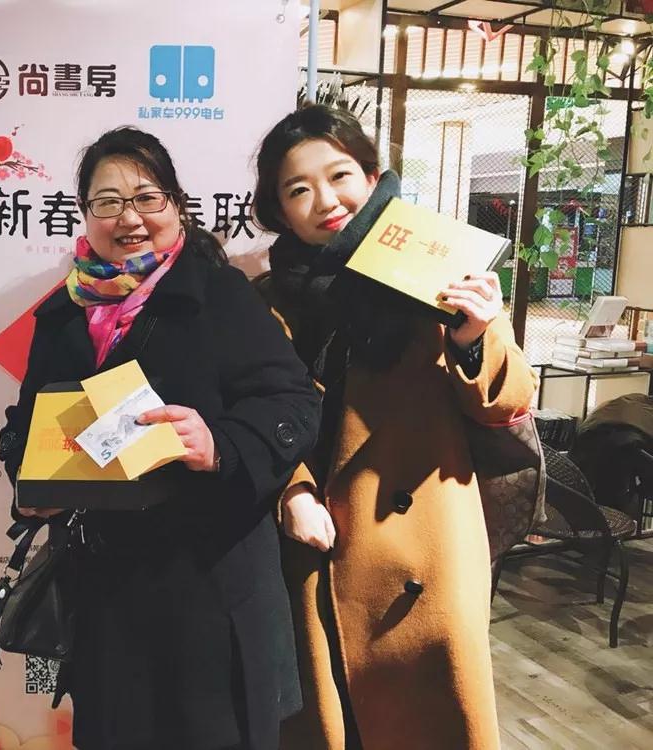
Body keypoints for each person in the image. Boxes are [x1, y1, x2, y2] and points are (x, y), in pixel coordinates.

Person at [0, 126, 321, 750]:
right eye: (108, 202)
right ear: (84, 213)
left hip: (210, 586)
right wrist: (30, 487)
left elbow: (294, 403)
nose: (129, 218)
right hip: (104, 595)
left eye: (148, 198)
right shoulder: (62, 313)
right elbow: (25, 423)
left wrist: (219, 443)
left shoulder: (220, 294)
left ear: (176, 206)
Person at [251, 104, 537, 750]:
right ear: (279, 210)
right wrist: (292, 491)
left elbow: (508, 401)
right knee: (333, 723)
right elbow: (259, 412)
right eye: (298, 189)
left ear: (372, 175)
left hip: (425, 553)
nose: (326, 200)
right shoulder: (270, 298)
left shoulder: (438, 266)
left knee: (427, 722)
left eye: (339, 175)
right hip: (318, 541)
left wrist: (473, 337)